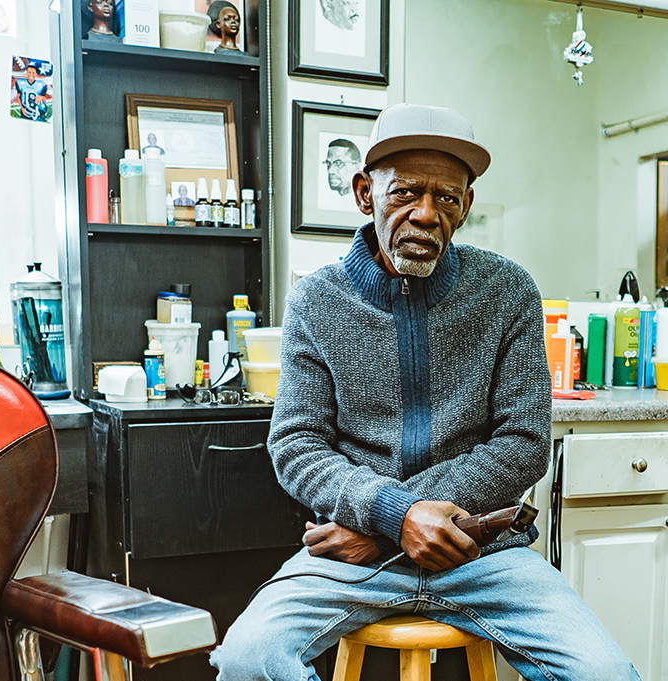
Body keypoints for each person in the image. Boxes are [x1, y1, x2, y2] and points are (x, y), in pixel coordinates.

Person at [211, 103, 639, 681]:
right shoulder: (317, 300)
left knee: (605, 673)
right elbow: (297, 445)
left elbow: (524, 443)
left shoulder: (507, 290)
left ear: (465, 207)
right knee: (247, 659)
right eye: (405, 192)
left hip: (481, 553)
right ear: (365, 193)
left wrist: (389, 523)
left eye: (448, 198)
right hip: (354, 559)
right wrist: (397, 516)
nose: (426, 214)